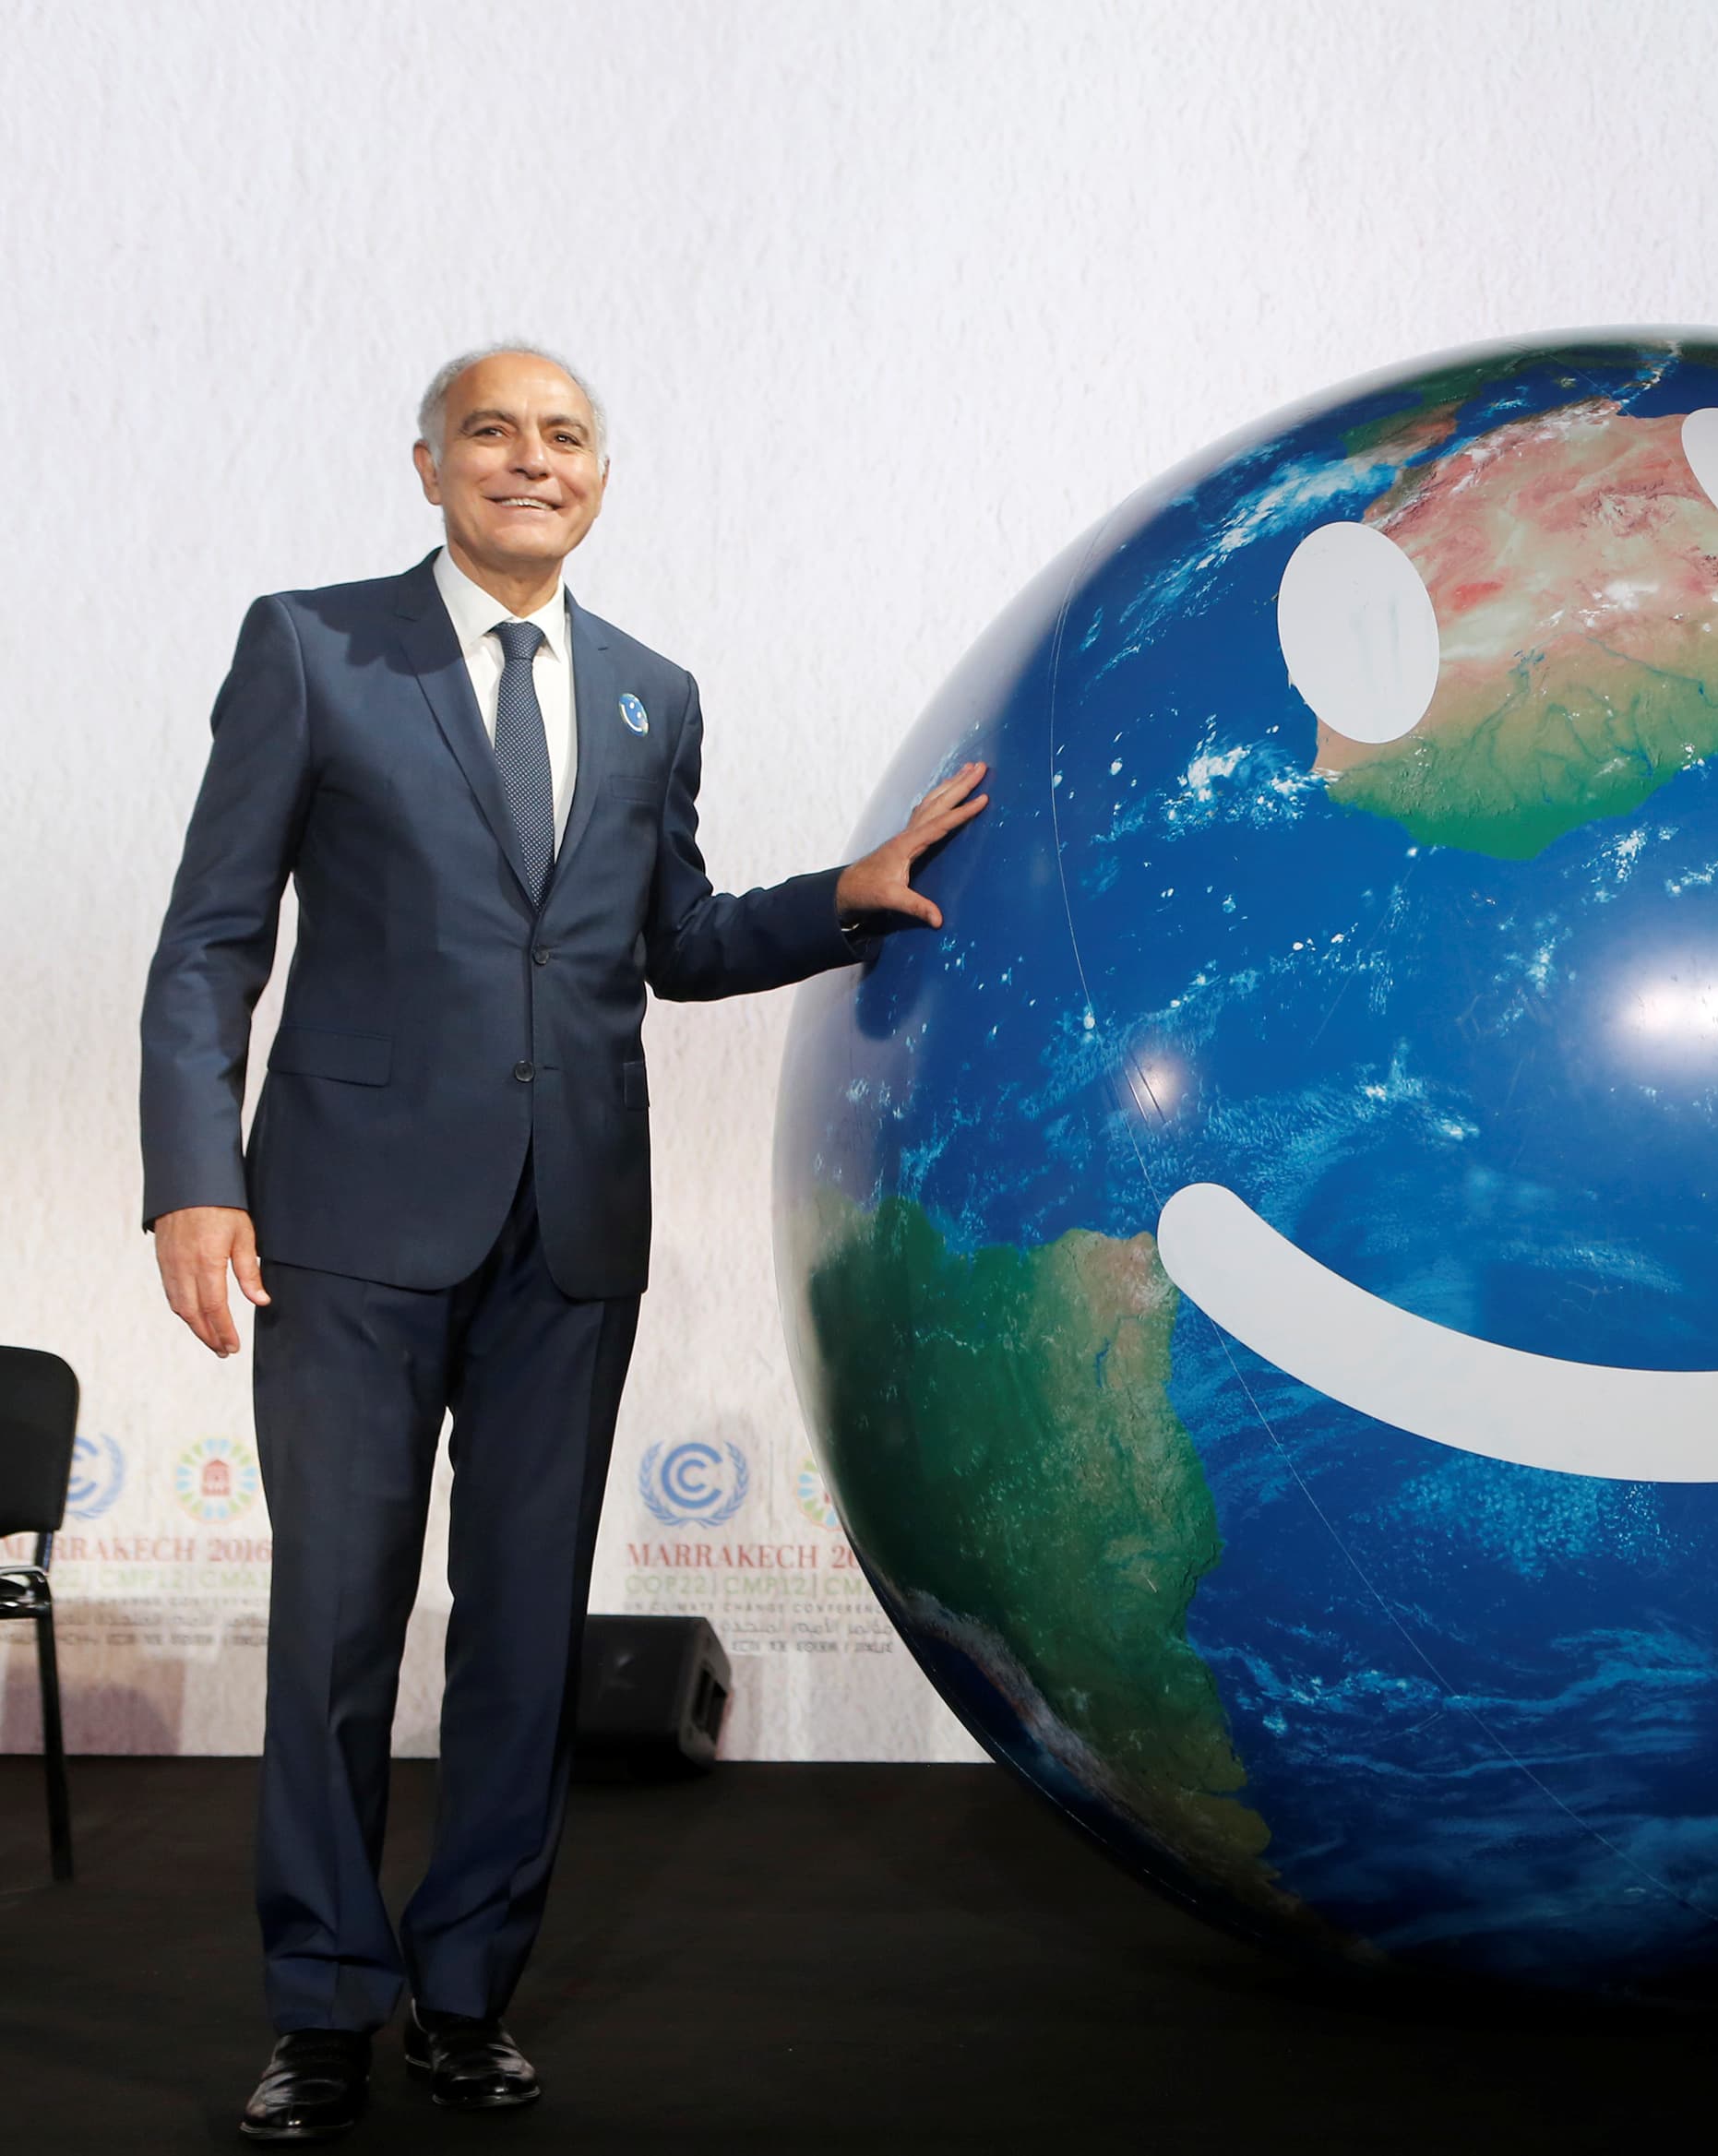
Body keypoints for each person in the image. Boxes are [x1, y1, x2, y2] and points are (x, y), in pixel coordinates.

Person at [138, 347, 987, 2144]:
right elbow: (212, 934)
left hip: (570, 1230)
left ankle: (465, 1996)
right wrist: (191, 1176)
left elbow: (666, 934)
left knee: (524, 1639)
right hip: (348, 1226)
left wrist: (843, 895)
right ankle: (319, 2009)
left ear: (601, 473)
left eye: (569, 436)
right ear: (433, 463)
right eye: (498, 433)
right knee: (335, 1632)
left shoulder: (648, 693)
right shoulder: (310, 645)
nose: (535, 461)